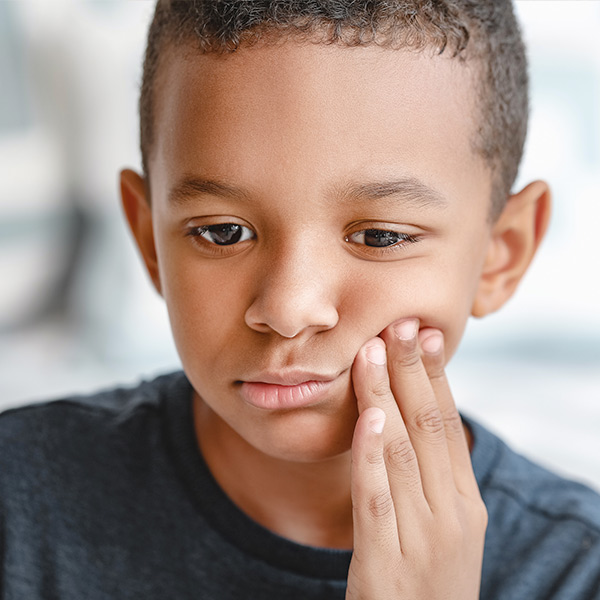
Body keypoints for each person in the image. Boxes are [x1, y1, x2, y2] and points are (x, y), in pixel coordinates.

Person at [1, 1, 599, 598]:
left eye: (379, 237)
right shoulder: (19, 505)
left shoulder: (576, 572)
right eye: (222, 232)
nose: (287, 310)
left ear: (503, 252)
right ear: (149, 239)